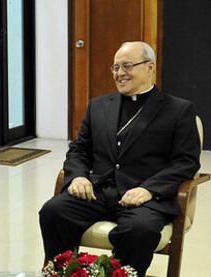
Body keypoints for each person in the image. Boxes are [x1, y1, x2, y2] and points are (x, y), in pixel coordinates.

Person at [39, 41, 201, 276]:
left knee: (139, 229)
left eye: (127, 66)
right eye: (115, 68)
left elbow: (186, 162)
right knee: (53, 212)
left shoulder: (178, 110)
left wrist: (149, 189)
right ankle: (64, 273)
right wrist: (78, 177)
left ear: (150, 67)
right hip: (98, 191)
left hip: (145, 199)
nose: (119, 74)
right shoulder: (98, 106)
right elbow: (79, 150)